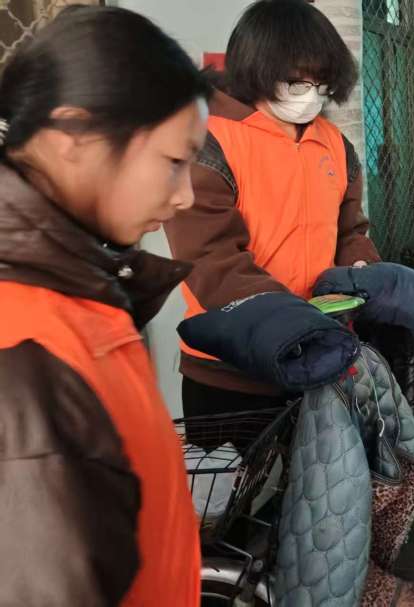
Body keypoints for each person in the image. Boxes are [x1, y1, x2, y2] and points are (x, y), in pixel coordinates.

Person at [0, 6, 210, 604]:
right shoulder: (25, 349)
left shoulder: (77, 297)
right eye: (173, 162)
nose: (185, 196)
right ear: (74, 138)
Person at [164, 0, 380, 419]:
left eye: (321, 85)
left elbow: (350, 230)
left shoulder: (334, 143)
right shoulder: (209, 142)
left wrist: (361, 272)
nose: (310, 97)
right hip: (231, 368)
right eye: (297, 84)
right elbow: (210, 260)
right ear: (258, 70)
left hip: (318, 357)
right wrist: (296, 320)